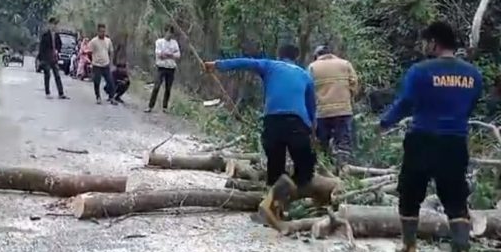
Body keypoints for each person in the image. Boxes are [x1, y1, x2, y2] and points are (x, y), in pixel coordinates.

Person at [380, 22, 482, 252]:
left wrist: (385, 122)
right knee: (456, 199)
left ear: (434, 42)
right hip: (455, 141)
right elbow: (471, 105)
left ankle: (409, 249)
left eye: (426, 42)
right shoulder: (473, 74)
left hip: (423, 139)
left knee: (410, 194)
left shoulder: (421, 70)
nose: (424, 46)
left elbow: (405, 102)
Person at [203, 44, 316, 232]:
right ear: (296, 58)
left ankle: (272, 207)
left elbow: (245, 62)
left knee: (275, 166)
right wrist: (313, 129)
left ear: (280, 55)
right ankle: (286, 204)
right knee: (304, 171)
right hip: (298, 123)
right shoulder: (305, 75)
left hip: (273, 121)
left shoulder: (270, 65)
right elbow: (312, 106)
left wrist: (217, 65)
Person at [308, 45, 359, 166]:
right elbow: (354, 84)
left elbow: (308, 89)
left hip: (322, 112)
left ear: (317, 56)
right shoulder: (345, 64)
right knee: (343, 142)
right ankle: (344, 168)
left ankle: (326, 167)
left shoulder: (312, 67)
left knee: (322, 143)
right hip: (343, 110)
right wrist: (349, 97)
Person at [146, 25, 181, 113]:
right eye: (168, 32)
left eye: (171, 33)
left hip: (171, 68)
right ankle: (150, 106)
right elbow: (159, 55)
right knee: (156, 86)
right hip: (161, 67)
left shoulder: (174, 43)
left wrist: (168, 55)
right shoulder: (159, 42)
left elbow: (178, 55)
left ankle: (165, 107)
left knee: (168, 88)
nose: (169, 34)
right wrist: (171, 55)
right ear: (165, 32)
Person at [36, 17, 68, 99]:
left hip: (54, 57)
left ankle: (61, 93)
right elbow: (41, 47)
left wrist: (58, 51)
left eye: (56, 24)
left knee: (57, 75)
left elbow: (59, 44)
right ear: (49, 25)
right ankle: (47, 92)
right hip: (46, 58)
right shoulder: (45, 35)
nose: (54, 26)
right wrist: (41, 58)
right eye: (53, 24)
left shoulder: (57, 35)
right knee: (47, 74)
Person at [88, 23, 117, 105]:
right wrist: (92, 61)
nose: (102, 33)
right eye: (101, 31)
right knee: (97, 82)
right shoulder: (93, 41)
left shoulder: (108, 41)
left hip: (106, 64)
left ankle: (112, 97)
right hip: (96, 65)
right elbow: (89, 52)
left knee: (110, 81)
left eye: (104, 31)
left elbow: (111, 51)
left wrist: (111, 63)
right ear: (98, 32)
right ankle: (98, 97)